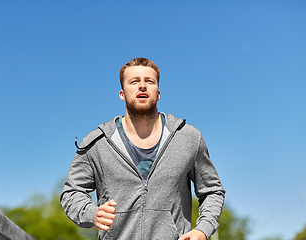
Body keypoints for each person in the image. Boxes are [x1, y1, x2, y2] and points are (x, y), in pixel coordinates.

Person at [60, 57, 225, 240]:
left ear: (158, 93)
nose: (142, 86)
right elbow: (72, 192)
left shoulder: (189, 138)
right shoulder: (96, 143)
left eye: (149, 81)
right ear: (122, 94)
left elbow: (212, 191)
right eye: (134, 81)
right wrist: (92, 213)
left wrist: (203, 229)